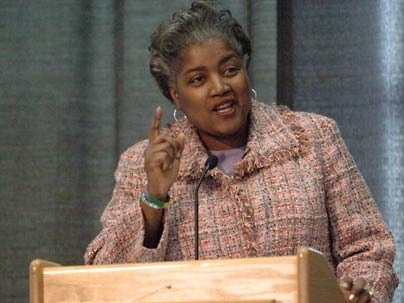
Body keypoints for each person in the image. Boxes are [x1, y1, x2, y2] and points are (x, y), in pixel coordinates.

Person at [84, 1, 398, 302]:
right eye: (198, 79)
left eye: (230, 69)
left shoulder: (313, 137)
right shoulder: (144, 163)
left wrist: (360, 291)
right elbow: (102, 276)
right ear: (175, 94)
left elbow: (369, 246)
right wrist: (154, 198)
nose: (220, 86)